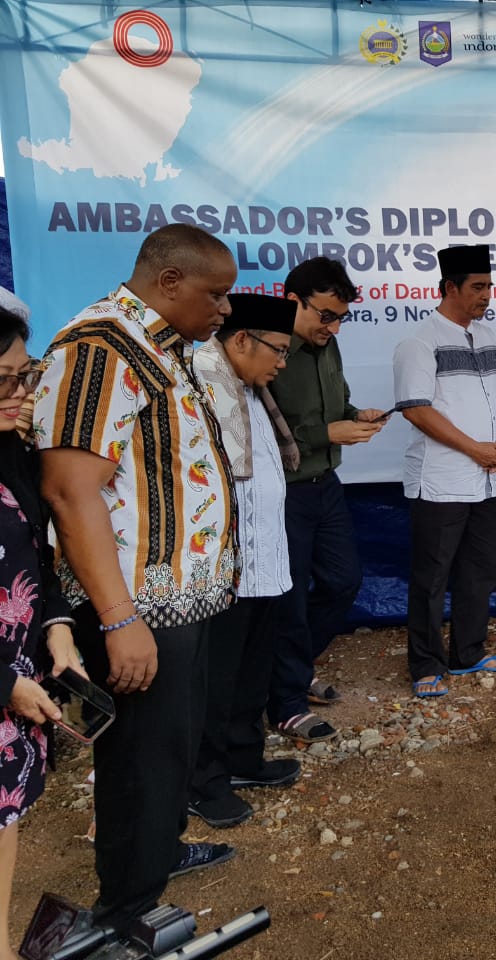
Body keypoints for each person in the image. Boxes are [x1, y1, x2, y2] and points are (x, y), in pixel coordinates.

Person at [33, 225, 240, 930]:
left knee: (169, 752)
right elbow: (69, 490)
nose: (225, 310)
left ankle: (154, 860)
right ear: (170, 281)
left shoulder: (162, 348)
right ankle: (128, 911)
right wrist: (120, 620)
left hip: (180, 601)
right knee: (141, 763)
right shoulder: (100, 347)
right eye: (216, 294)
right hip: (137, 608)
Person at [188, 294, 301, 828]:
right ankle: (203, 782)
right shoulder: (203, 387)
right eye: (277, 350)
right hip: (223, 564)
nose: (282, 362)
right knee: (216, 677)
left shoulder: (251, 390)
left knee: (252, 670)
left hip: (263, 559)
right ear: (240, 340)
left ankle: (241, 758)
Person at [267, 257, 386, 743]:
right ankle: (286, 704)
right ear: (293, 300)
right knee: (290, 600)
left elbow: (338, 405)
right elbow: (253, 432)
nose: (333, 327)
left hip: (326, 487)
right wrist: (326, 433)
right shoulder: (267, 346)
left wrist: (359, 415)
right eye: (325, 315)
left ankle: (291, 671)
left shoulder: (326, 347)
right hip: (283, 495)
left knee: (343, 583)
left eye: (340, 317)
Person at [0, 291, 85, 960]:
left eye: (24, 376)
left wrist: (56, 628)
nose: (19, 393)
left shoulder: (12, 452)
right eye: (2, 380)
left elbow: (37, 554)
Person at [393, 245, 496, 698]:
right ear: (449, 288)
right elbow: (417, 411)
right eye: (477, 287)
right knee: (432, 577)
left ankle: (468, 652)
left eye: (489, 285)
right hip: (442, 480)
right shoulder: (420, 341)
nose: (486, 294)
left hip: (488, 478)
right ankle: (425, 663)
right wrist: (474, 450)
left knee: (480, 571)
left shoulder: (488, 337)